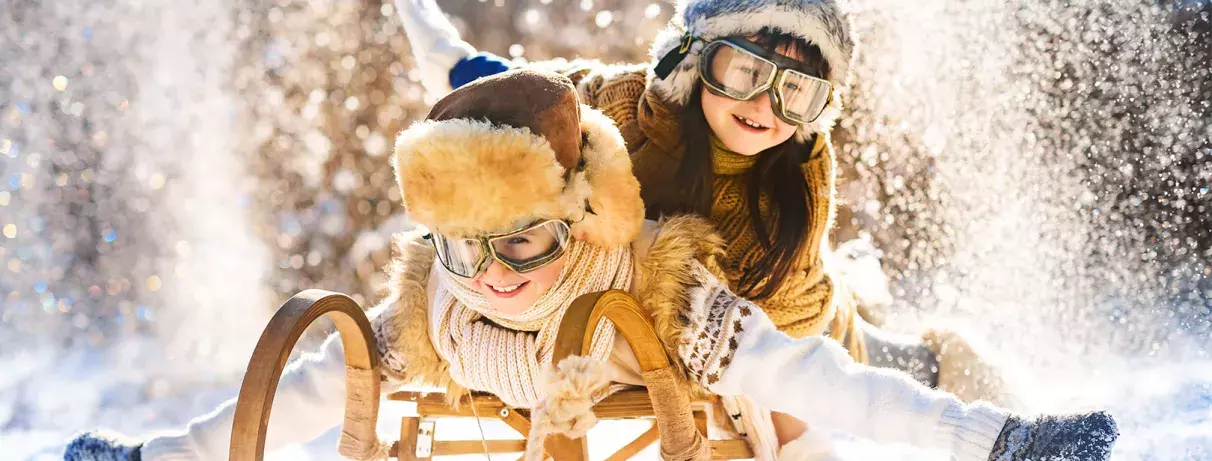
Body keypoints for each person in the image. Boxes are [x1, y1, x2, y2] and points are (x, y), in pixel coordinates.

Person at [65, 69, 1116, 461]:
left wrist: (998, 441)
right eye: (464, 242)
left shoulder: (653, 283)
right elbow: (301, 397)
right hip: (516, 404)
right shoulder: (438, 297)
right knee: (328, 371)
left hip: (635, 366)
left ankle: (1001, 426)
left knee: (800, 415)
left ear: (578, 212)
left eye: (521, 237)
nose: (495, 270)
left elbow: (820, 378)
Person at [397, 0, 1016, 412]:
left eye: (795, 91)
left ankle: (956, 364)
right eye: (743, 71)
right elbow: (509, 93)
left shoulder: (792, 191)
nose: (764, 105)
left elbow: (774, 351)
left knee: (891, 362)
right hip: (644, 304)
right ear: (693, 61)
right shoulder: (623, 107)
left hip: (796, 322)